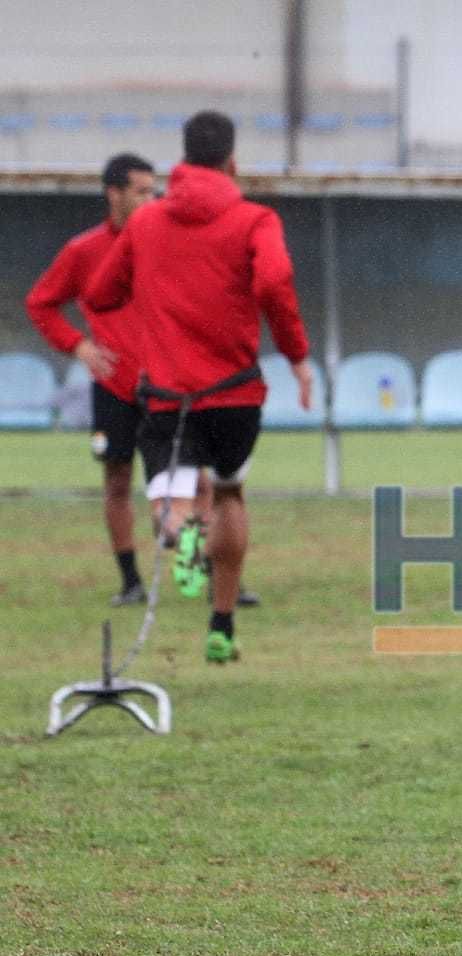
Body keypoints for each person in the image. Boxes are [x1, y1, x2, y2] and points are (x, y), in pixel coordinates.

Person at [86, 110, 311, 663]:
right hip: (236, 395)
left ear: (181, 161)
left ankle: (177, 529)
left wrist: (156, 291)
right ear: (232, 162)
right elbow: (276, 283)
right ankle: (222, 626)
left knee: (173, 496)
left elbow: (100, 292)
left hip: (167, 395)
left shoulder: (145, 223)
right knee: (230, 493)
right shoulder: (257, 220)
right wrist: (296, 356)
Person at [26, 153, 157, 606]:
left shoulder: (165, 243)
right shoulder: (84, 251)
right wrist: (78, 345)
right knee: (117, 481)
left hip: (167, 383)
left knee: (189, 483)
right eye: (141, 191)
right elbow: (41, 303)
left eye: (153, 190)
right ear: (114, 193)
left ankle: (206, 576)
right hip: (113, 387)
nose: (150, 199)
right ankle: (131, 581)